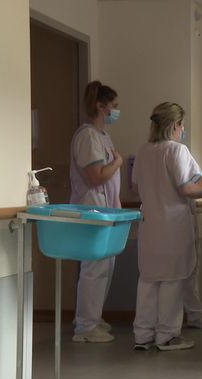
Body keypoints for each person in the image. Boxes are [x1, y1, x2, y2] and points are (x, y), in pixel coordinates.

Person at [132, 102, 202, 351]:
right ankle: (167, 335)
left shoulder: (144, 151)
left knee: (148, 280)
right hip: (172, 226)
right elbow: (186, 188)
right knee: (172, 280)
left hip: (149, 226)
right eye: (182, 125)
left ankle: (143, 335)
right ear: (176, 125)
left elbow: (138, 185)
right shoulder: (176, 151)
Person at [70, 81, 123, 343]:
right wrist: (118, 162)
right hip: (92, 208)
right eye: (113, 107)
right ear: (100, 107)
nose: (116, 111)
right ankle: (85, 326)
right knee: (94, 268)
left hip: (105, 210)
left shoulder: (102, 136)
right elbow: (95, 176)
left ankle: (94, 317)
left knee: (106, 266)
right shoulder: (87, 136)